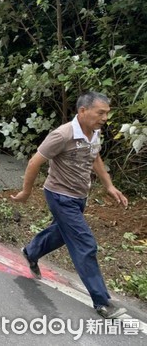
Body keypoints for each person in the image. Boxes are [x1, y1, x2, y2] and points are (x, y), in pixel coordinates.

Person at [11, 92, 128, 319]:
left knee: (63, 233)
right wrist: (26, 192)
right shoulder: (62, 135)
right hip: (59, 196)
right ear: (83, 111)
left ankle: (31, 252)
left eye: (107, 113)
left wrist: (109, 186)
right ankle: (102, 302)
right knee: (85, 244)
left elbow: (95, 157)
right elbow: (35, 161)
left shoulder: (94, 132)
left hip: (78, 196)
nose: (105, 118)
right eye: (100, 112)